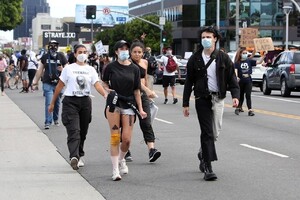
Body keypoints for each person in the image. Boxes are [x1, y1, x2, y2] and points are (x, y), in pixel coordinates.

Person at [182, 26, 240, 181]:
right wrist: (185, 103)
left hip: (218, 98)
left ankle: (202, 152)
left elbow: (231, 79)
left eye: (208, 37)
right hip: (202, 99)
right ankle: (208, 167)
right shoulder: (195, 58)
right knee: (207, 132)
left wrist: (235, 95)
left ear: (215, 38)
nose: (205, 40)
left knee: (215, 132)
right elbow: (189, 81)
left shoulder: (223, 58)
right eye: (203, 37)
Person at [48, 44, 107, 170]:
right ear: (75, 54)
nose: (82, 54)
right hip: (70, 102)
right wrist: (52, 102)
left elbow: (96, 84)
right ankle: (73, 156)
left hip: (85, 101)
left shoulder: (91, 69)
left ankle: (79, 154)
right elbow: (59, 86)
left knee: (83, 131)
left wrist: (105, 94)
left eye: (85, 52)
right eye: (80, 51)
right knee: (74, 130)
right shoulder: (68, 69)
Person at [102, 40, 147, 181]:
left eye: (126, 49)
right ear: (116, 52)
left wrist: (141, 109)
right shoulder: (110, 67)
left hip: (129, 104)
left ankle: (122, 159)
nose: (124, 51)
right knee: (115, 137)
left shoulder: (135, 69)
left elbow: (137, 90)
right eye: (121, 49)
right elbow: (104, 82)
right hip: (114, 105)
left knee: (126, 140)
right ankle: (115, 170)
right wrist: (107, 90)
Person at [127, 40, 161, 162]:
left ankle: (152, 150)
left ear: (143, 53)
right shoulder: (127, 64)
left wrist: (148, 93)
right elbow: (135, 82)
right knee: (127, 125)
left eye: (139, 52)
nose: (137, 54)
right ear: (130, 52)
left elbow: (144, 79)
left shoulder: (145, 62)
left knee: (146, 123)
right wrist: (147, 90)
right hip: (129, 97)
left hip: (142, 96)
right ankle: (125, 149)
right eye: (134, 52)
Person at [33, 40, 68, 129]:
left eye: (55, 45)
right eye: (51, 45)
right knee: (48, 102)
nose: (53, 47)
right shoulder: (45, 57)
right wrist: (35, 81)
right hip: (48, 82)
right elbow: (40, 69)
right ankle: (48, 121)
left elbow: (68, 69)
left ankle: (55, 119)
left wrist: (63, 69)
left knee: (57, 103)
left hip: (59, 83)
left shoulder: (61, 56)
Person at [234, 48, 265, 116]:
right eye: (243, 53)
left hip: (248, 79)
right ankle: (238, 107)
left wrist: (264, 56)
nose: (245, 55)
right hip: (241, 80)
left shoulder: (249, 61)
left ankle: (250, 110)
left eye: (246, 53)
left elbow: (259, 62)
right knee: (241, 95)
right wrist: (236, 77)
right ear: (240, 54)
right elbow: (235, 70)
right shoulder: (237, 62)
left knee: (248, 95)